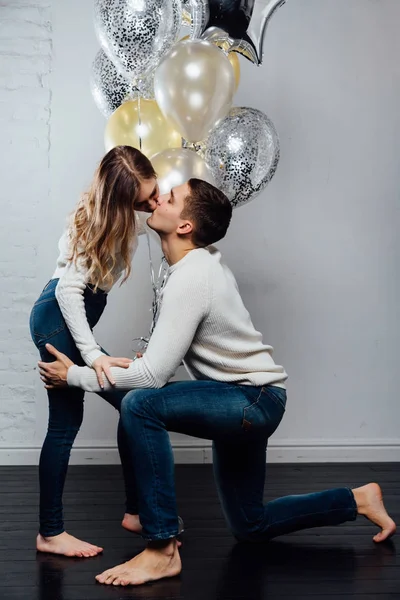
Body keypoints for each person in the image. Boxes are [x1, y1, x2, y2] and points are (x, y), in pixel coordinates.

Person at [39, 178, 396, 586]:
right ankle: (357, 499)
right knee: (251, 524)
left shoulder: (194, 276)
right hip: (244, 399)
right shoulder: (190, 267)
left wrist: (76, 375)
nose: (158, 199)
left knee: (140, 403)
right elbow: (165, 362)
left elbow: (153, 378)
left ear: (185, 226)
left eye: (169, 199)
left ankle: (161, 548)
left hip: (250, 400)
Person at [30, 145, 160, 558]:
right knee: (69, 424)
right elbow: (69, 290)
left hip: (72, 316)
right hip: (59, 315)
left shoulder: (129, 216)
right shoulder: (98, 223)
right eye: (145, 199)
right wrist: (94, 355)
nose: (154, 202)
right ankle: (51, 532)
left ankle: (135, 511)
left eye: (155, 191)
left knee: (133, 404)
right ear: (124, 203)